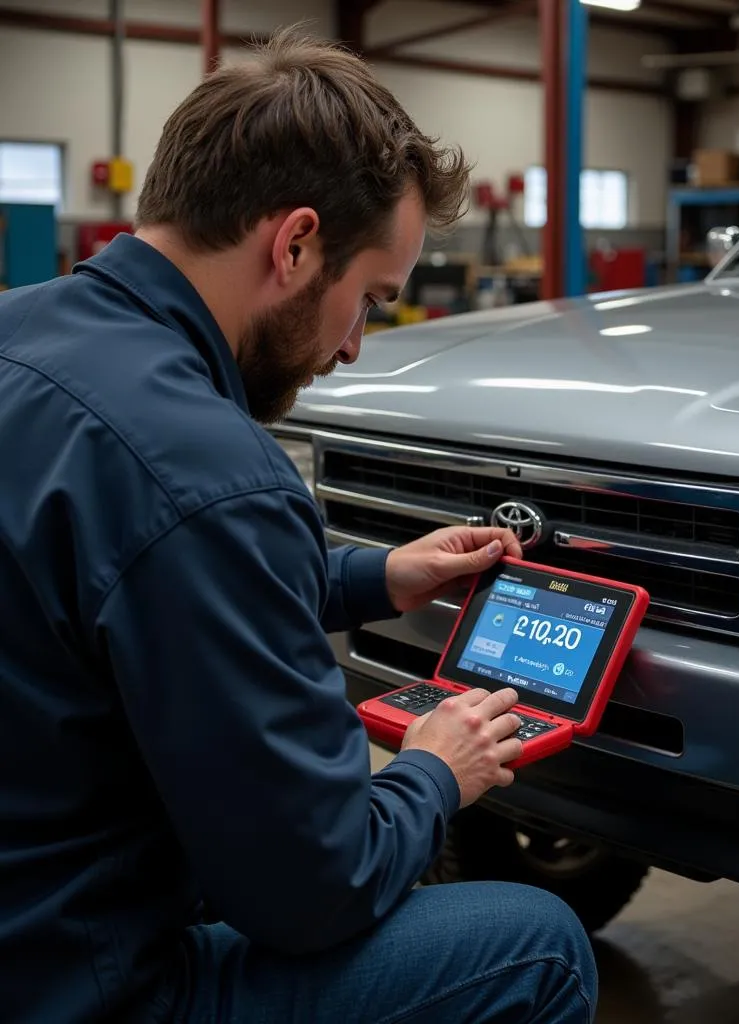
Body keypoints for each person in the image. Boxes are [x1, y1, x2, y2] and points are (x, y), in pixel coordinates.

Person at [0, 28, 598, 1024]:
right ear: (295, 243)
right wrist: (429, 775)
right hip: (76, 988)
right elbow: (315, 888)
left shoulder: (24, 333)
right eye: (368, 299)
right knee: (535, 945)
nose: (356, 345)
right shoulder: (210, 470)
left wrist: (374, 574)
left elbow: (117, 568)